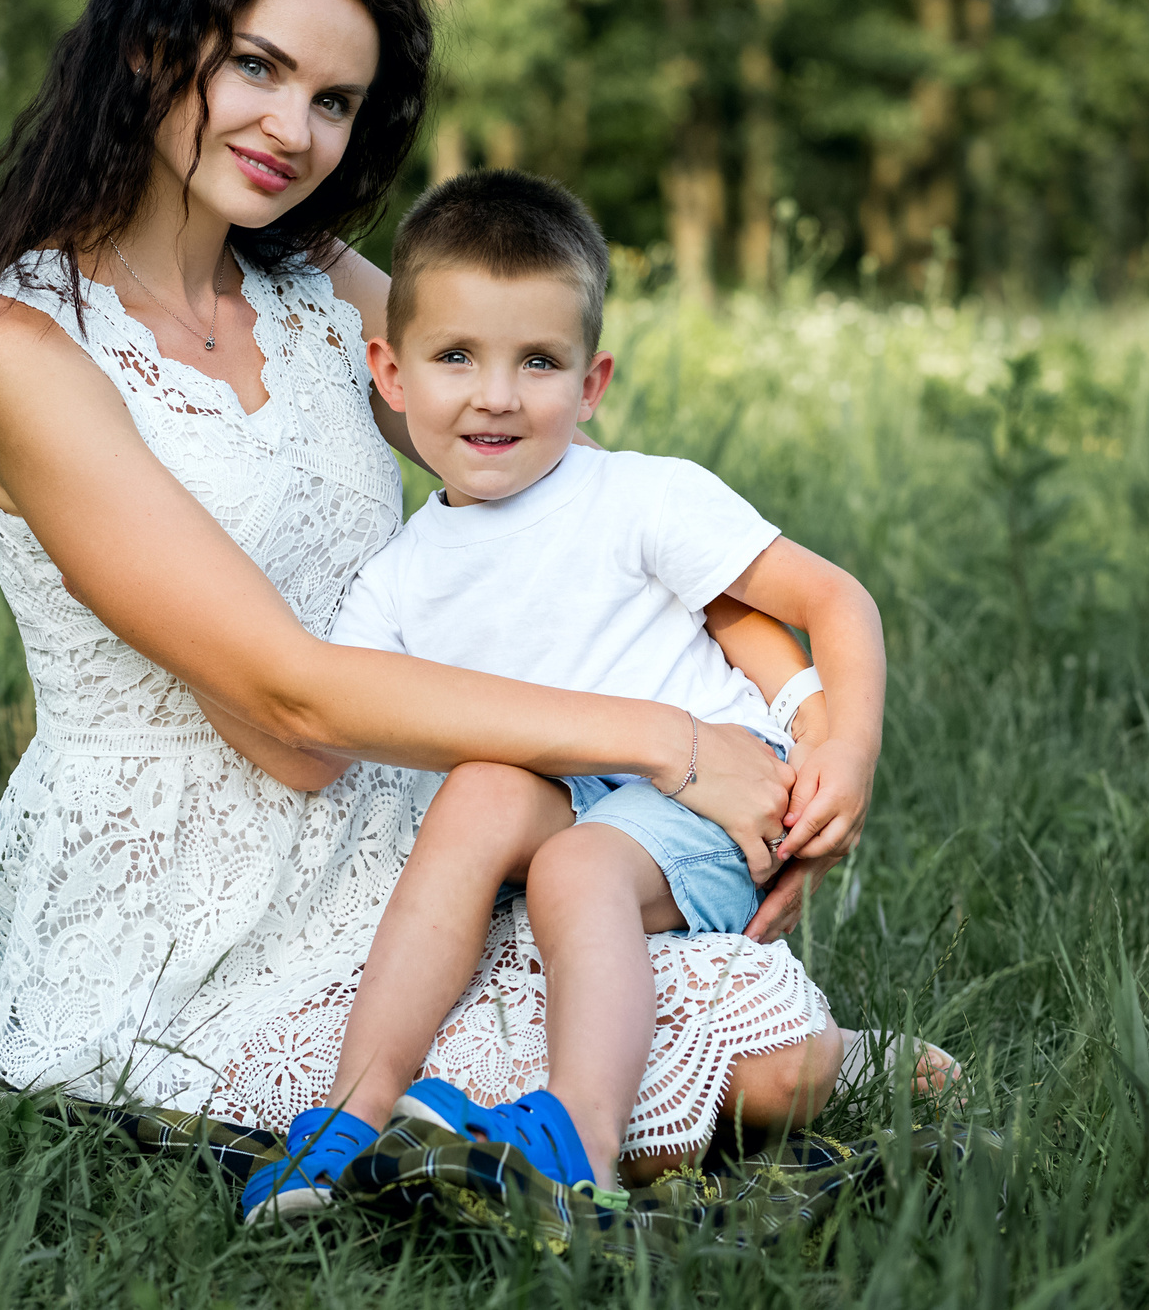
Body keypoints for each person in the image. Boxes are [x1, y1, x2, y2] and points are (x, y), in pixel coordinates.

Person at [0, 0, 877, 1206]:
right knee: (744, 1071)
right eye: (256, 66)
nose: (291, 129)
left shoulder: (318, 285)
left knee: (742, 1038)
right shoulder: (26, 349)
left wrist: (805, 724)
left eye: (334, 100)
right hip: (192, 885)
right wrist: (670, 740)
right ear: (152, 47)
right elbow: (288, 701)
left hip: (416, 807)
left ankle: (727, 1065)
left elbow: (588, 508)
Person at [235, 171, 932, 1221]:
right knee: (476, 795)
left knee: (574, 869)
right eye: (456, 356)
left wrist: (848, 745)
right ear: (390, 369)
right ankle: (349, 1116)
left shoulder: (640, 495)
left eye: (539, 362)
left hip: (709, 797)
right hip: (573, 792)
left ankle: (579, 1142)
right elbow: (337, 724)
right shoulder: (400, 575)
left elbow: (834, 599)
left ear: (592, 380)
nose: (496, 395)